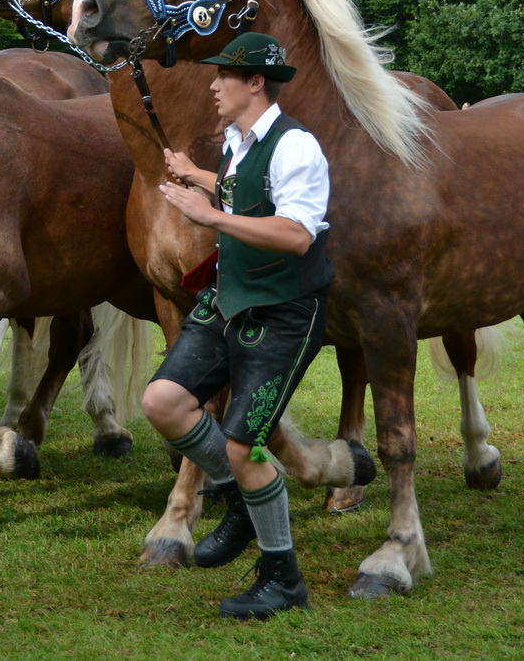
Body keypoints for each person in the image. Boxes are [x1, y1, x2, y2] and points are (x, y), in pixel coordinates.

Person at [144, 32, 330, 620]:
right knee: (164, 403)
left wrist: (210, 215)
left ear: (256, 83)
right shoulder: (236, 143)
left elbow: (297, 235)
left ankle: (283, 580)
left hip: (283, 312)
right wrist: (197, 176)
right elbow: (240, 191)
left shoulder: (296, 146)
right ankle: (243, 500)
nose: (212, 84)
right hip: (226, 300)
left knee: (242, 447)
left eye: (225, 75)